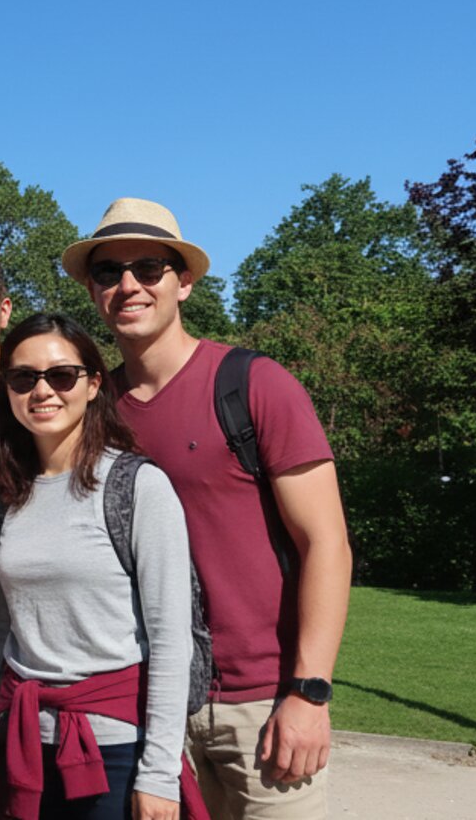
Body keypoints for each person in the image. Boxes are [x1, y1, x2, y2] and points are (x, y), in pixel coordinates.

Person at [63, 199, 350, 820]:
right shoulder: (93, 411)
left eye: (148, 267)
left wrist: (310, 692)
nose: (128, 285)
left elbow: (326, 542)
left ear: (183, 281)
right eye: (109, 272)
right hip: (148, 705)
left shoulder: (253, 384)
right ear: (92, 289)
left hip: (264, 706)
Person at [0, 313, 201, 820]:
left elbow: (170, 639)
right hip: (26, 741)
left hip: (114, 747)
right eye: (23, 377)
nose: (42, 391)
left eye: (61, 375)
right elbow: (1, 628)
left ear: (94, 383)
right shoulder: (3, 492)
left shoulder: (137, 487)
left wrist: (160, 773)